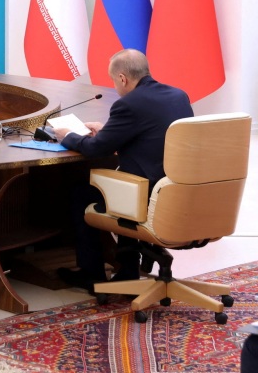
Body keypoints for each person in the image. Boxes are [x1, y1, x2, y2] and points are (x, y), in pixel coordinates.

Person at [53, 49, 193, 292]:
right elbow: (153, 136)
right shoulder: (178, 96)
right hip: (179, 192)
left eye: (113, 81)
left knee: (82, 193)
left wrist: (68, 136)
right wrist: (109, 131)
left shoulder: (128, 104)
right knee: (127, 179)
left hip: (147, 197)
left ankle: (91, 272)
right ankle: (128, 267)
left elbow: (95, 149)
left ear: (122, 78)